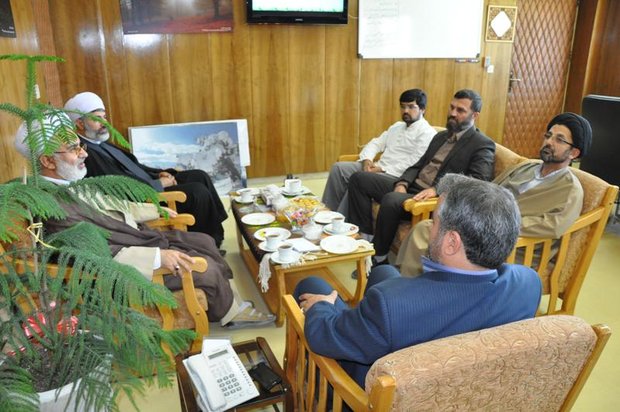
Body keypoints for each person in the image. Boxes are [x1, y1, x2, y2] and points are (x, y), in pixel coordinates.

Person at [14, 113, 273, 329]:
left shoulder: (69, 182)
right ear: (47, 161)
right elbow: (92, 256)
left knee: (202, 240)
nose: (83, 154)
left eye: (80, 146)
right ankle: (230, 314)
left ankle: (228, 303)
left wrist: (154, 211)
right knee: (204, 267)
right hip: (123, 271)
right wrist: (158, 259)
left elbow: (112, 205)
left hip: (134, 238)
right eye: (73, 149)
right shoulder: (51, 206)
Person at [294, 174, 542, 388]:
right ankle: (361, 324)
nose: (429, 227)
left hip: (378, 391)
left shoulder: (391, 304)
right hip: (454, 383)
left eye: (434, 221)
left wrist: (321, 306)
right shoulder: (529, 284)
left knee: (312, 285)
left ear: (452, 242)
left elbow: (322, 335)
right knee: (384, 273)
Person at [396, 112, 593, 276]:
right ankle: (409, 287)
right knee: (426, 229)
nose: (549, 142)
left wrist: (496, 226)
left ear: (574, 153)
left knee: (437, 237)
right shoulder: (525, 167)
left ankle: (421, 295)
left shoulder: (570, 190)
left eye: (559, 139)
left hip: (514, 247)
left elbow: (552, 226)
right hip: (481, 231)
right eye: (548, 135)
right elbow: (488, 192)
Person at [347, 89, 495, 268]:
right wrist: (402, 183)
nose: (453, 113)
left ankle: (379, 258)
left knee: (392, 199)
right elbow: (418, 164)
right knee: (359, 179)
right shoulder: (440, 136)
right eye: (452, 107)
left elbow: (479, 181)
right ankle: (365, 240)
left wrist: (438, 189)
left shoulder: (482, 144)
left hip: (432, 199)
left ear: (475, 115)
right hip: (411, 186)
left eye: (461, 110)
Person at [63, 92, 228, 250]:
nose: (105, 123)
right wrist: (157, 184)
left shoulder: (100, 142)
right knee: (197, 191)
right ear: (80, 123)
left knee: (199, 175)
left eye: (104, 117)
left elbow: (134, 166)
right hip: (145, 197)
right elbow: (118, 186)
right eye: (97, 119)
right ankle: (208, 242)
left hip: (149, 182)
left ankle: (215, 231)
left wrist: (160, 173)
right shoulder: (87, 153)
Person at [321, 89, 436, 216]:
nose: (405, 111)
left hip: (396, 175)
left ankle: (341, 220)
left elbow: (414, 163)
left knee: (360, 179)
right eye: (402, 107)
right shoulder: (397, 126)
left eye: (411, 107)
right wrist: (367, 160)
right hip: (377, 167)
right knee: (338, 168)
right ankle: (327, 213)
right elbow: (376, 143)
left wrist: (381, 169)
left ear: (422, 109)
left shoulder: (427, 133)